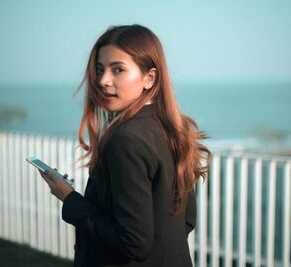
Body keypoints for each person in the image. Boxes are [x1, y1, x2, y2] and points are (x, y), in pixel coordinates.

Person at [39, 24, 211, 267]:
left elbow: (133, 243)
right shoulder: (173, 129)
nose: (103, 80)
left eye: (117, 69)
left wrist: (70, 200)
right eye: (100, 69)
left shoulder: (126, 140)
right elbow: (186, 220)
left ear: (149, 78)